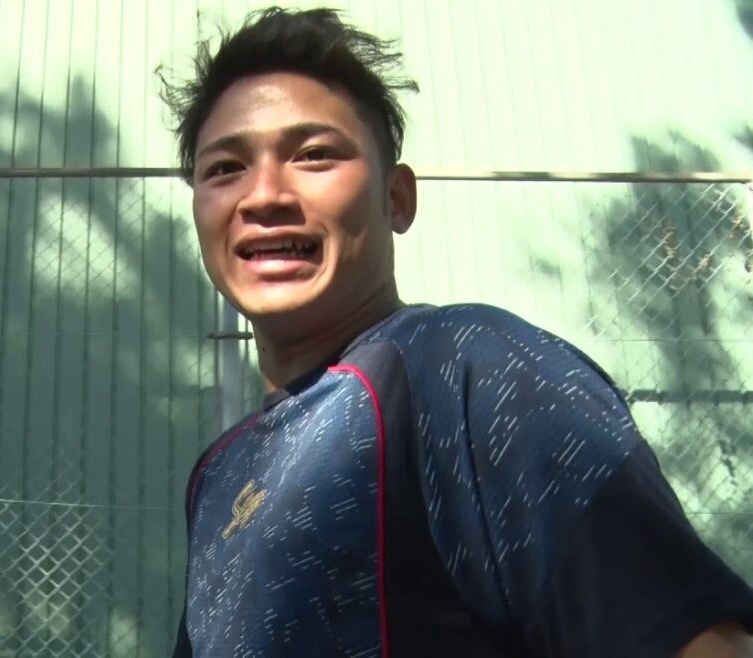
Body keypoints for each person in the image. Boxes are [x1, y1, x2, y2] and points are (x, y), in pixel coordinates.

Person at [159, 7, 753, 657]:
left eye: (314, 155)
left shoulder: (471, 371)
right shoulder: (218, 477)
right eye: (225, 168)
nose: (264, 194)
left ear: (397, 198)